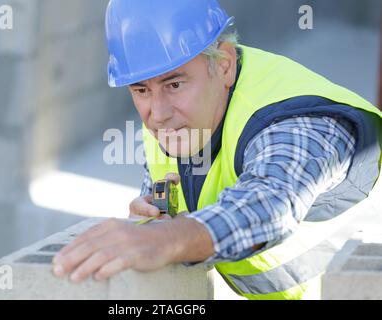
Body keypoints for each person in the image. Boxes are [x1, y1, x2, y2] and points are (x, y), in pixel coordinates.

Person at [52, 0, 382, 299]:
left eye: (175, 84)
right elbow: (170, 217)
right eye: (140, 89)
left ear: (223, 64)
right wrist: (152, 221)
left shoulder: (297, 123)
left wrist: (163, 241)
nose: (158, 112)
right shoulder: (174, 122)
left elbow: (270, 205)